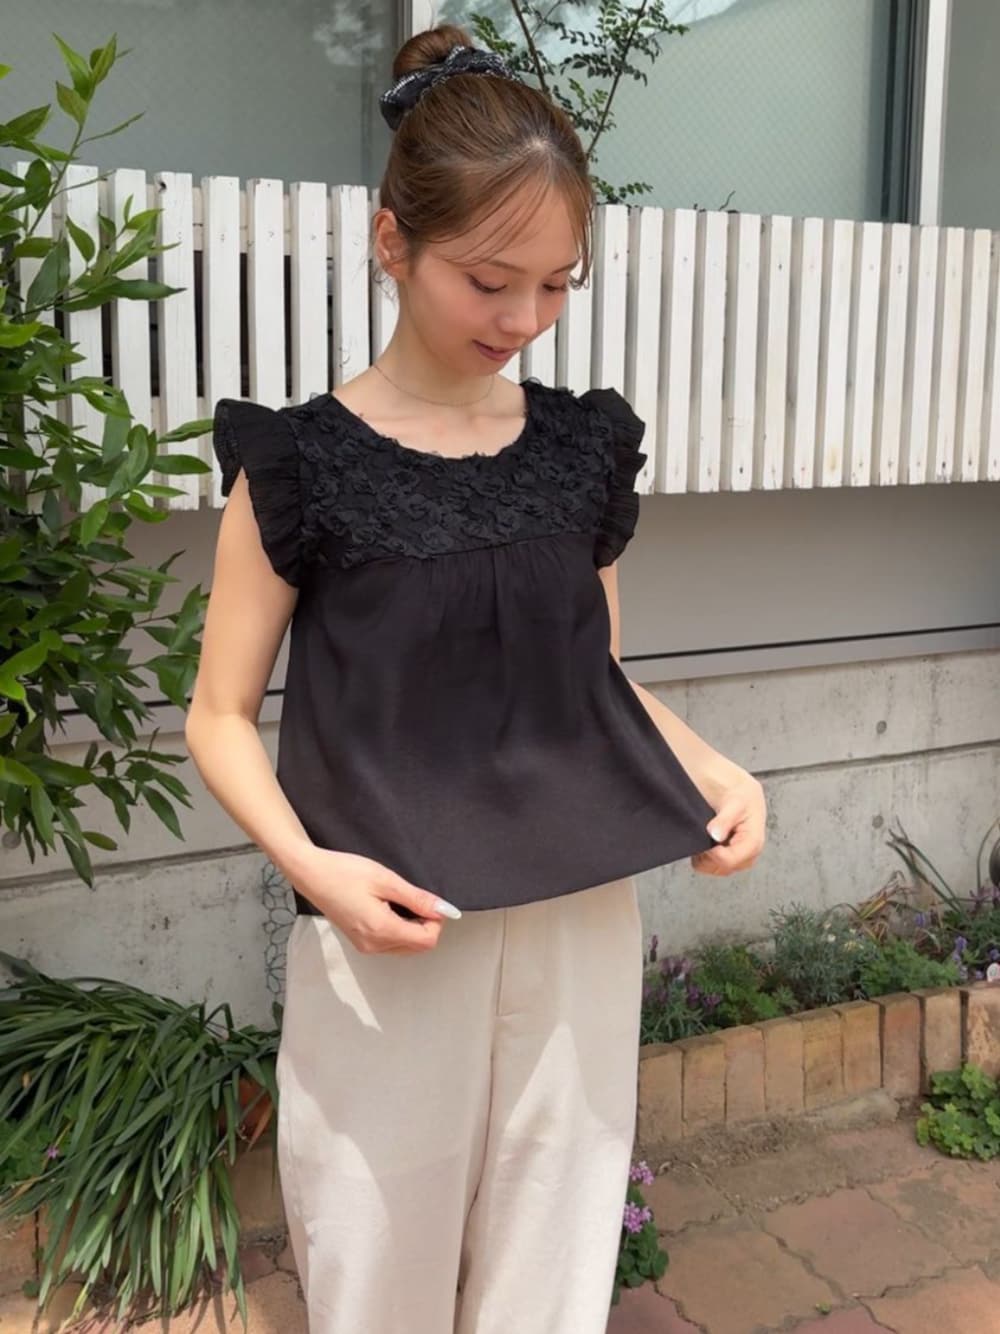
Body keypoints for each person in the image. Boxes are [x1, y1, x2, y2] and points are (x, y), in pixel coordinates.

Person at [185, 23, 765, 1334]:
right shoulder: (300, 463)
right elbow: (216, 715)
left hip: (579, 919)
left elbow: (591, 674)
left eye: (557, 285)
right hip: (390, 930)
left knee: (553, 1264)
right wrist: (312, 868)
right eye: (491, 281)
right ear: (393, 243)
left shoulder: (579, 448)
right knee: (371, 1266)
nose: (524, 320)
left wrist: (716, 770)